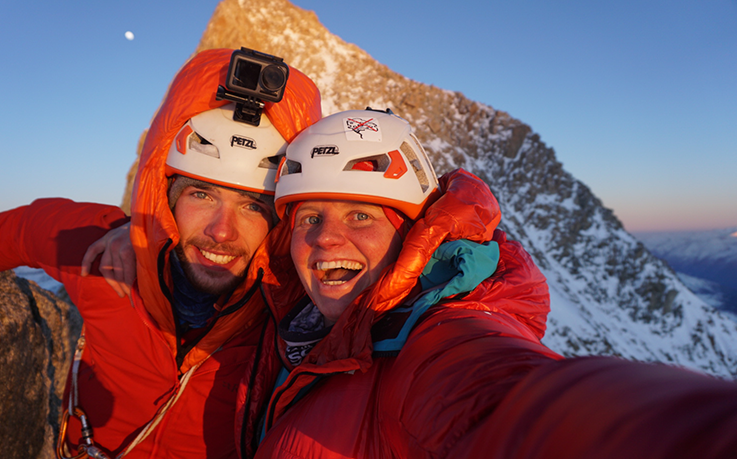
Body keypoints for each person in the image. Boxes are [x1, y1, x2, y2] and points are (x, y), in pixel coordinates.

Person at [229, 109, 737, 458]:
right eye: (308, 219)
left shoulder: (436, 341)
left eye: (361, 215)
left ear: (412, 236)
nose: (325, 240)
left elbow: (511, 404)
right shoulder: (297, 333)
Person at [0, 48, 321, 458]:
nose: (221, 231)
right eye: (201, 194)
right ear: (165, 198)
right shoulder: (103, 256)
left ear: (280, 221)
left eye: (252, 206)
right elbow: (6, 235)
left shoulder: (297, 306)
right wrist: (138, 233)